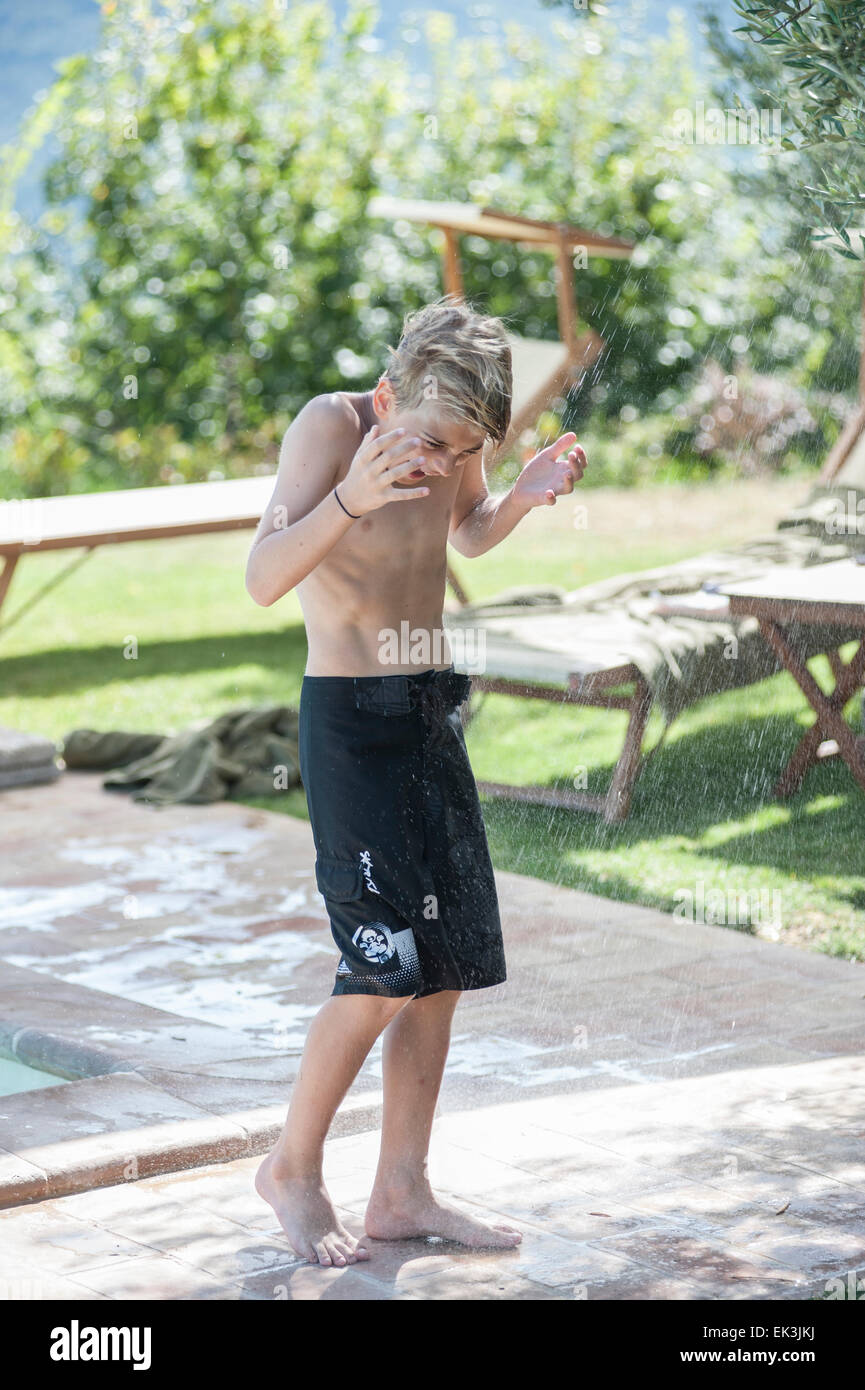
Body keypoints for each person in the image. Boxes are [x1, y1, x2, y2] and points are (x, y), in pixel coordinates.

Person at [246, 295, 586, 1267]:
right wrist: (351, 492)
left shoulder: (457, 420)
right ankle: (293, 1170)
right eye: (431, 440)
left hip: (428, 708)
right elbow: (263, 575)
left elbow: (466, 529)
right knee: (382, 961)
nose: (441, 462)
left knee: (441, 963)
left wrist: (517, 491)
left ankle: (401, 1189)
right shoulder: (332, 426)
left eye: (464, 446)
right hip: (350, 724)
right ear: (391, 393)